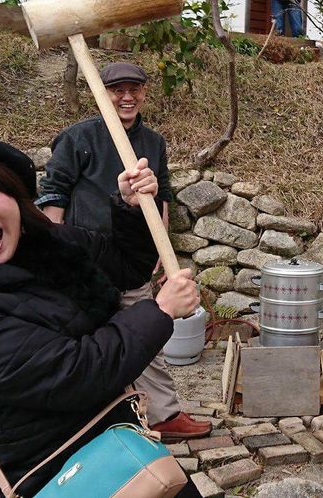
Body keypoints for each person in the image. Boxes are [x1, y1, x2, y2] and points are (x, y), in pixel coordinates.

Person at [0, 129, 203, 497]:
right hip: (51, 478)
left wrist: (131, 208)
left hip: (120, 453)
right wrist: (159, 312)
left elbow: (127, 268)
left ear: (15, 198)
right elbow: (77, 373)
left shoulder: (51, 245)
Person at [36, 61, 210, 440]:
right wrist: (53, 250)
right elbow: (54, 192)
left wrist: (163, 256)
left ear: (145, 92)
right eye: (118, 89)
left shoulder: (154, 143)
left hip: (131, 257)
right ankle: (89, 421)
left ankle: (163, 415)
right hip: (84, 255)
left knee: (149, 328)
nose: (127, 97)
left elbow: (161, 197)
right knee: (83, 337)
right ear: (103, 93)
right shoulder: (78, 137)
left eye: (135, 89)